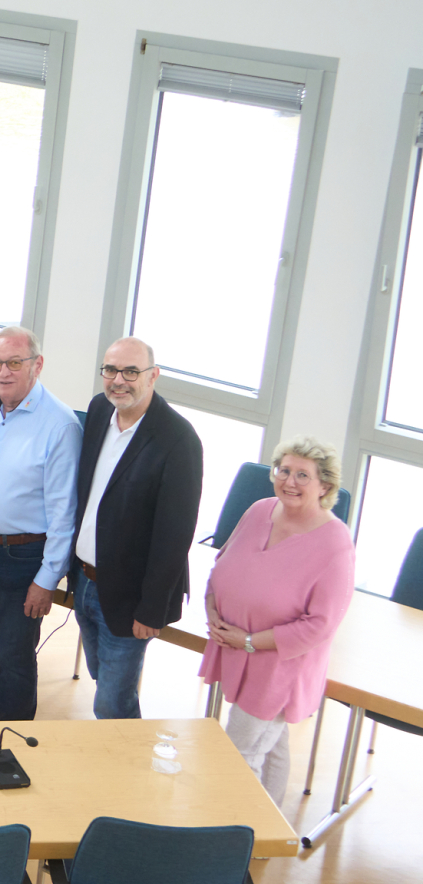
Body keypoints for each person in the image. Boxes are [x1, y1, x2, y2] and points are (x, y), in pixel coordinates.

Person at [200, 437, 355, 804]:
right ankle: (270, 833)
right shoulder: (259, 510)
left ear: (326, 486)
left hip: (280, 666)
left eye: (303, 475)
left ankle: (239, 836)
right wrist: (212, 608)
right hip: (236, 648)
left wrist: (249, 641)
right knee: (271, 744)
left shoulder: (335, 542)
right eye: (284, 470)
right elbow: (223, 562)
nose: (289, 481)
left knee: (240, 753)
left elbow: (321, 625)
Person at [70, 337, 202, 720]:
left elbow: (175, 535)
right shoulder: (99, 410)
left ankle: (120, 773)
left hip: (131, 595)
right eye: (110, 370)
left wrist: (152, 608)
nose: (118, 381)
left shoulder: (178, 440)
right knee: (103, 678)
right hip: (85, 580)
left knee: (112, 700)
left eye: (131, 371)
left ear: (153, 376)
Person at [0, 326, 81, 722]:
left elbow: (64, 513)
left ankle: (9, 740)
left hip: (22, 556)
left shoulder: (60, 425)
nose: (3, 372)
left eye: (14, 362)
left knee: (14, 655)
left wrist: (47, 580)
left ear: (37, 365)